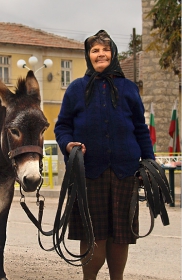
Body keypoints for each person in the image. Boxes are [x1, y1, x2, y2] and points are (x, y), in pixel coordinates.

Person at [54, 30, 155, 280]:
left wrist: (149, 163)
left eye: (105, 49)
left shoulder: (129, 89)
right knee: (94, 234)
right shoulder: (76, 89)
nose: (101, 54)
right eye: (95, 50)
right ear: (88, 56)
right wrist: (68, 145)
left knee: (121, 235)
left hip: (125, 172)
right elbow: (62, 126)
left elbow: (141, 130)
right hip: (89, 173)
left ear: (113, 54)